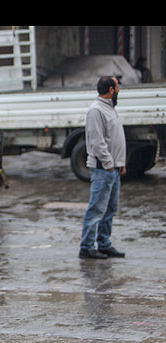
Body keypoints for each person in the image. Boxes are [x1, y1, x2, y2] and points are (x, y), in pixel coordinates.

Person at [79, 76, 126, 260]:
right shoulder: (96, 110)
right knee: (97, 209)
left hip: (113, 169)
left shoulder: (110, 108)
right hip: (103, 169)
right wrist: (108, 165)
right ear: (111, 90)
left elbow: (114, 139)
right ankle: (87, 247)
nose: (119, 89)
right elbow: (98, 142)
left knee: (110, 209)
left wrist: (120, 164)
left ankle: (104, 244)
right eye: (117, 86)